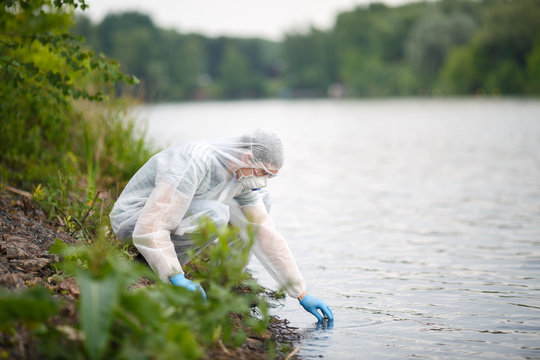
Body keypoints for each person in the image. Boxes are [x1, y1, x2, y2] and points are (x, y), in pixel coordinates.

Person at [109, 128, 333, 322]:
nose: (263, 180)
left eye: (270, 176)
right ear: (247, 158)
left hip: (169, 220)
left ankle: (223, 282)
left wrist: (300, 292)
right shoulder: (194, 161)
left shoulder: (240, 177)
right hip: (135, 219)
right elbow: (152, 225)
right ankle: (151, 265)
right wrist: (174, 275)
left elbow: (264, 233)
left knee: (260, 202)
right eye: (264, 172)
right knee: (215, 214)